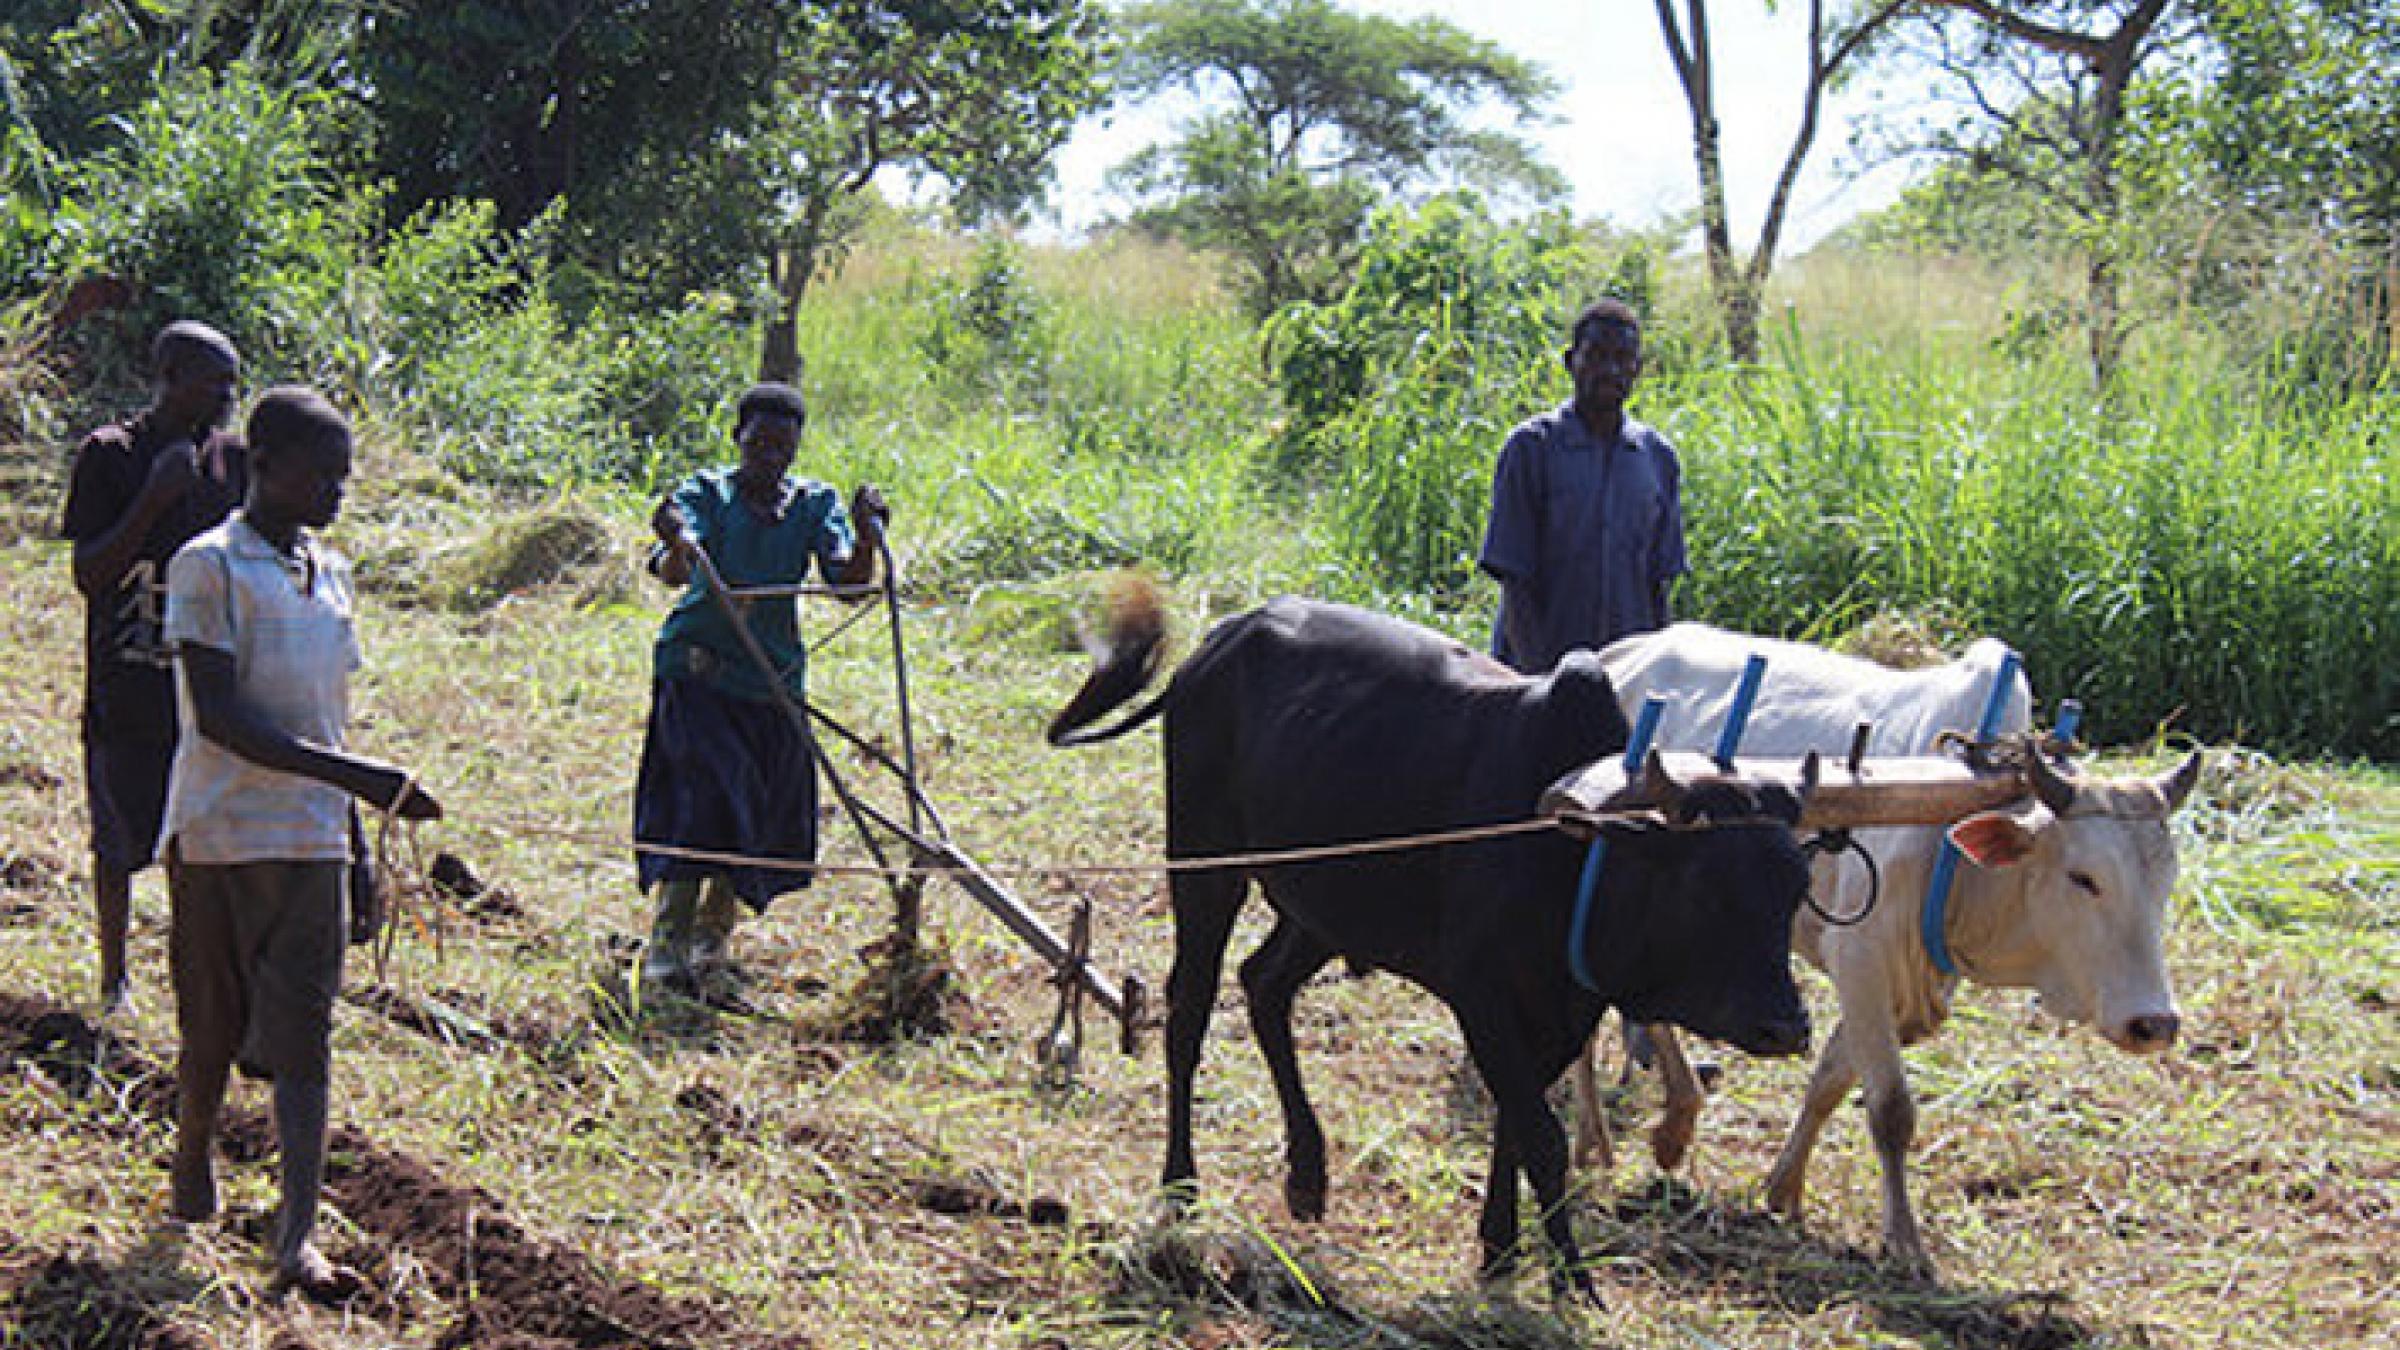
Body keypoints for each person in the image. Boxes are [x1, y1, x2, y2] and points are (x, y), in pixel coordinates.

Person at [158, 386, 442, 1302]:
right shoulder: (206, 567)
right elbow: (224, 720)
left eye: (345, 475)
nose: (338, 489)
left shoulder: (334, 571)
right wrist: (364, 779)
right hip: (221, 836)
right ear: (262, 463)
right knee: (211, 1032)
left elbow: (328, 716)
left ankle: (297, 1239)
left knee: (308, 1040)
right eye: (324, 472)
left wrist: (355, 836)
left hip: (312, 841)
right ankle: (193, 1148)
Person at [634, 381, 888, 995]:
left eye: (783, 445)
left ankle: (713, 939)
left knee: (750, 810)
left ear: (796, 449)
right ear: (737, 439)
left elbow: (848, 583)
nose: (770, 456)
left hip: (770, 679)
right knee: (702, 803)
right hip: (699, 673)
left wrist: (864, 536)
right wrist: (675, 540)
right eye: (759, 443)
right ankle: (667, 942)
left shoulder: (811, 503)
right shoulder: (708, 494)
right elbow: (675, 565)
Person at [59, 321, 250, 1014]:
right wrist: (153, 500)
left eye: (234, 382)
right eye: (212, 382)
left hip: (203, 691)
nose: (227, 396)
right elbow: (90, 574)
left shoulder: (236, 463)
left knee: (194, 846)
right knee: (117, 839)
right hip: (127, 683)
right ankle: (114, 980)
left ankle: (192, 979)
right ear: (168, 378)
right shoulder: (112, 456)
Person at [1478, 298, 1687, 675]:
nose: (1610, 370)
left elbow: (1658, 586)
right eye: (1597, 356)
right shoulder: (1532, 448)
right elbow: (1515, 582)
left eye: (1623, 358)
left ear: (1638, 369)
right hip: (1537, 677)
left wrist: (1660, 675)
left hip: (1624, 680)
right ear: (1571, 361)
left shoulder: (1657, 458)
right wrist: (1539, 685)